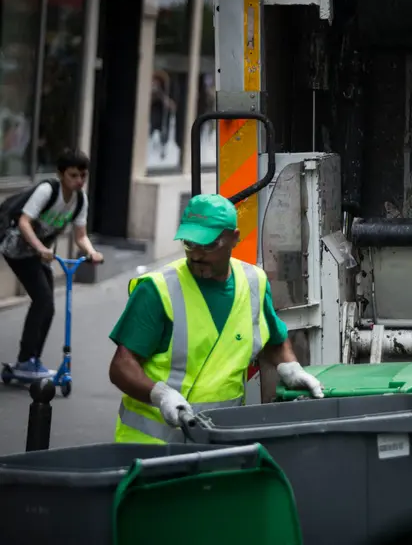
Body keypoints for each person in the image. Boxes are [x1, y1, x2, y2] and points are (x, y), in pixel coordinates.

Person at [109, 193, 324, 444]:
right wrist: (160, 395)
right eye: (190, 243)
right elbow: (121, 366)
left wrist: (290, 368)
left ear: (234, 238)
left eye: (209, 245)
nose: (197, 255)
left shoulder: (254, 282)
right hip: (152, 448)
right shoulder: (157, 290)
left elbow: (272, 339)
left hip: (218, 443)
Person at [0, 149, 103, 379]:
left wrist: (92, 252)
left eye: (83, 176)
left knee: (49, 306)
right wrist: (40, 248)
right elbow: (24, 222)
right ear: (60, 174)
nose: (79, 181)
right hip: (17, 247)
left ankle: (32, 360)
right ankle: (25, 360)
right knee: (43, 299)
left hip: (40, 252)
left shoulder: (80, 200)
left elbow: (80, 235)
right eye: (73, 175)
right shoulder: (47, 190)